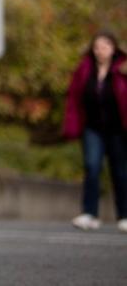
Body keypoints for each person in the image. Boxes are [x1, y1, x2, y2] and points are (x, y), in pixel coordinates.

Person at [63, 30, 127, 232]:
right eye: (97, 47)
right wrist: (72, 124)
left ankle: (124, 215)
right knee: (92, 167)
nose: (101, 51)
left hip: (118, 128)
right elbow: (73, 98)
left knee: (120, 172)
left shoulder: (122, 69)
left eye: (105, 46)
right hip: (93, 128)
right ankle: (89, 213)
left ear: (114, 48)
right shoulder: (85, 69)